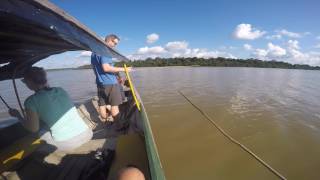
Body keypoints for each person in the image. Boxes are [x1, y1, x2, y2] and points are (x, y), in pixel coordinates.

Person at [8, 67, 92, 151]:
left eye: (25, 82)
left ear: (29, 82)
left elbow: (33, 129)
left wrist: (18, 116)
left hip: (68, 144)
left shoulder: (30, 101)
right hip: (87, 133)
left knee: (41, 132)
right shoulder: (60, 90)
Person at [91, 34, 132, 122]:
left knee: (102, 104)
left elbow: (97, 68)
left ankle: (105, 120)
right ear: (109, 40)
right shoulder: (105, 51)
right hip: (110, 83)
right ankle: (119, 126)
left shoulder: (94, 52)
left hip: (100, 82)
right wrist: (125, 69)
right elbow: (106, 68)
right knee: (114, 105)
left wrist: (118, 75)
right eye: (115, 43)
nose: (115, 45)